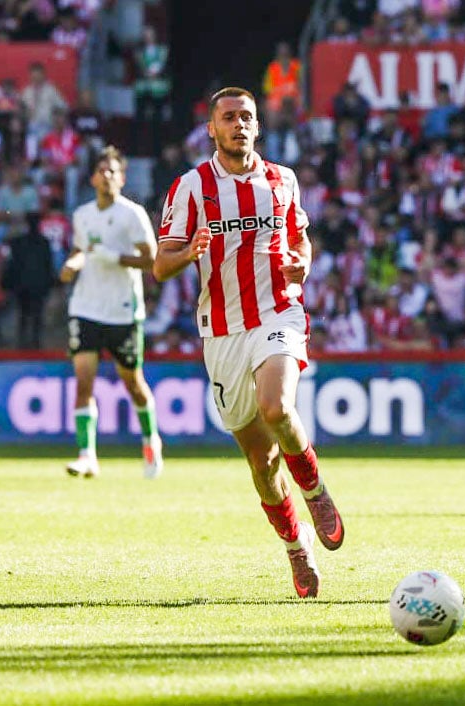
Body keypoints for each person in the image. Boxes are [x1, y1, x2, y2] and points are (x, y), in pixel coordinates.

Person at [152, 87, 344, 598]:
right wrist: (188, 253)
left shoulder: (283, 180)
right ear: (211, 128)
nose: (239, 124)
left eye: (246, 117)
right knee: (261, 462)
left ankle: (315, 490)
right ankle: (296, 547)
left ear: (257, 126)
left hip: (278, 311)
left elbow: (300, 238)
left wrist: (303, 263)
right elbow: (160, 264)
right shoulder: (191, 187)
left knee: (276, 406)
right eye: (229, 117)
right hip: (221, 331)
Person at [58, 146, 162, 479]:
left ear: (122, 178)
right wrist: (73, 265)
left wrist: (116, 258)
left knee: (133, 383)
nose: (106, 176)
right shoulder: (82, 215)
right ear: (92, 178)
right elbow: (81, 250)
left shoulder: (133, 214)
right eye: (101, 170)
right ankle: (86, 455)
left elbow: (152, 260)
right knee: (83, 382)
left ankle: (150, 440)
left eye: (112, 171)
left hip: (122, 311)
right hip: (86, 307)